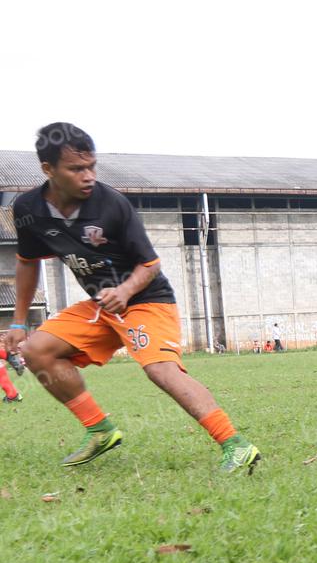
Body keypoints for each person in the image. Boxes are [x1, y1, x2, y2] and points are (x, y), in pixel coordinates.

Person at [4, 123, 260, 471]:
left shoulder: (112, 204)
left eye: (91, 166)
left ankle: (236, 444)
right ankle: (100, 430)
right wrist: (19, 321)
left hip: (146, 300)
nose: (89, 175)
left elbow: (150, 265)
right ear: (48, 170)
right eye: (77, 169)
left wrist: (124, 290)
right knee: (36, 350)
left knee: (161, 371)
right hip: (101, 307)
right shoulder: (28, 209)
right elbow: (27, 262)